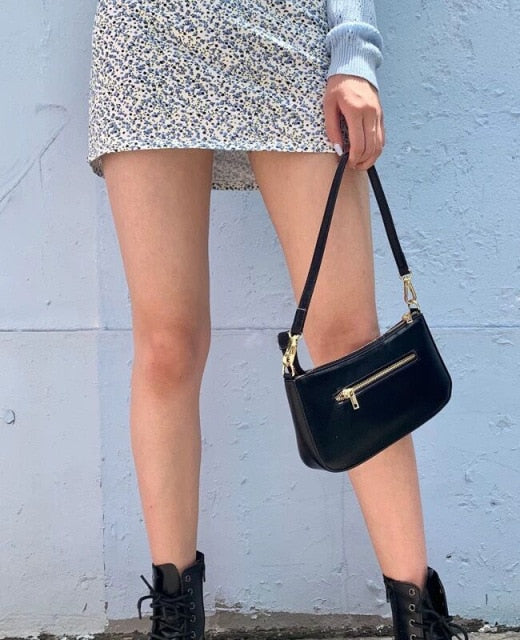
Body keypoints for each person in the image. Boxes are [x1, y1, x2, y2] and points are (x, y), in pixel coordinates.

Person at [86, 1, 468, 639]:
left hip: (286, 29)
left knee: (349, 344)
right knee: (167, 346)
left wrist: (353, 54)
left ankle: (422, 622)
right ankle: (176, 622)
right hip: (147, 32)